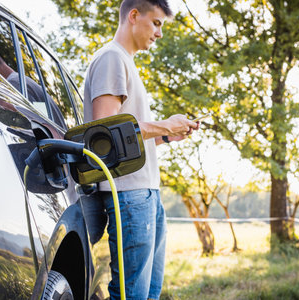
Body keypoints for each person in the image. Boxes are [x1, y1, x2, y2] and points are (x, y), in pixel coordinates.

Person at [83, 0, 199, 299]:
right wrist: (164, 125)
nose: (159, 34)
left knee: (149, 293)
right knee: (132, 294)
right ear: (134, 16)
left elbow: (126, 142)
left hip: (146, 193)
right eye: (156, 23)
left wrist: (169, 136)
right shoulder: (112, 58)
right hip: (128, 194)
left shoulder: (125, 62)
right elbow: (105, 132)